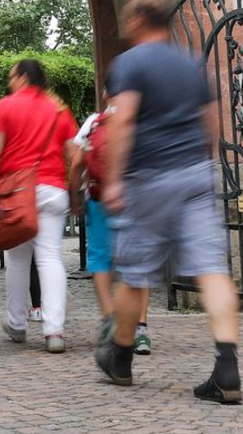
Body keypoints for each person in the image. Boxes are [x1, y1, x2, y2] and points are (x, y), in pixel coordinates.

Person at [98, 0, 241, 404]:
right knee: (212, 269)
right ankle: (227, 368)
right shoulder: (192, 63)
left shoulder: (129, 63)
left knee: (135, 272)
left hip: (149, 176)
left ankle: (121, 358)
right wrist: (205, 165)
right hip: (195, 174)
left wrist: (114, 179)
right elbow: (211, 121)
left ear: (139, 20)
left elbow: (123, 121)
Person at [0, 58, 79, 353]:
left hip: (17, 191)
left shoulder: (5, 106)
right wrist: (74, 190)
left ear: (23, 77)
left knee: (17, 259)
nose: (10, 82)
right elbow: (75, 154)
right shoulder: (59, 108)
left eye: (12, 77)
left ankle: (16, 323)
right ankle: (54, 330)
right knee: (50, 257)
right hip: (53, 188)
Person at [73, 98, 153, 352]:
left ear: (107, 94)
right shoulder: (143, 119)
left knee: (99, 258)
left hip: (99, 198)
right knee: (138, 261)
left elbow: (76, 162)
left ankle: (110, 318)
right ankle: (140, 328)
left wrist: (74, 195)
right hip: (136, 198)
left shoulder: (94, 122)